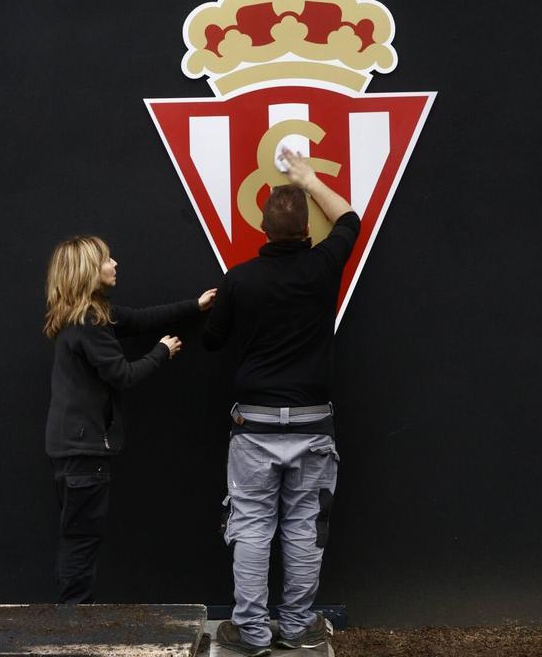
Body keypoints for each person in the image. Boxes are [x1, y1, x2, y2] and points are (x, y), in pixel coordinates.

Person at [203, 148, 360, 655]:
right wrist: (311, 178)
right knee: (302, 527)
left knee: (251, 526)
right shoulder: (322, 265)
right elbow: (350, 219)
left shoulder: (240, 279)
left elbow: (211, 341)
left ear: (264, 230)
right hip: (314, 426)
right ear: (305, 232)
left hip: (255, 427)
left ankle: (250, 633)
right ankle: (296, 627)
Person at [43, 235, 215, 604]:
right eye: (106, 259)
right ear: (89, 270)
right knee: (81, 540)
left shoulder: (85, 315)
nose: (115, 263)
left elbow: (138, 319)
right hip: (84, 452)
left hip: (72, 449)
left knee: (77, 536)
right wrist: (161, 352)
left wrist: (195, 306)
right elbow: (123, 375)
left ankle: (73, 618)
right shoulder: (89, 322)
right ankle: (74, 621)